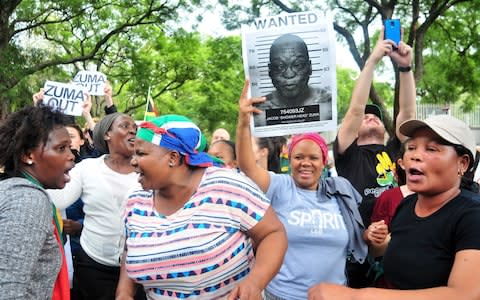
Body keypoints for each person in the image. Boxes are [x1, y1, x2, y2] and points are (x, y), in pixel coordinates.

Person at [308, 115, 480, 299]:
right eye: (411, 147)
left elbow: (465, 294)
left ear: (462, 163)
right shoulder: (406, 205)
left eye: (431, 149)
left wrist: (354, 296)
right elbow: (407, 248)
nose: (415, 155)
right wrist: (375, 240)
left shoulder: (472, 217)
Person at [116, 114, 287, 299]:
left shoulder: (226, 186)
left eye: (141, 153)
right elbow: (131, 248)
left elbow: (273, 233)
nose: (133, 161)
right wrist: (124, 293)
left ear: (173, 157)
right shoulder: (135, 200)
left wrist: (255, 282)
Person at [237, 80, 372, 299]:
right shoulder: (280, 186)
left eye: (313, 158)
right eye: (298, 157)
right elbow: (247, 166)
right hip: (282, 295)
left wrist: (370, 235)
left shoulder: (339, 192)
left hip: (332, 295)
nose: (305, 163)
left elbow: (357, 237)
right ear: (289, 160)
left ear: (323, 161)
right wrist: (243, 122)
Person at [333, 28, 416, 288]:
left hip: (398, 243)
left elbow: (408, 113)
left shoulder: (395, 152)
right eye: (365, 117)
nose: (370, 117)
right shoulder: (349, 154)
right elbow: (356, 108)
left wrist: (405, 69)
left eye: (377, 116)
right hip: (356, 250)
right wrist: (372, 61)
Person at [48, 112, 145, 300]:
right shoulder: (87, 168)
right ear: (107, 134)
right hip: (93, 267)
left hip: (137, 270)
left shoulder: (148, 171)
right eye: (125, 126)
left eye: (135, 127)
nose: (133, 130)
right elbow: (58, 199)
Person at [0, 105, 74, 299]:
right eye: (61, 148)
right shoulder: (28, 200)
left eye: (70, 147)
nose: (71, 155)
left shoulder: (14, 190)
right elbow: (8, 290)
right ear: (28, 155)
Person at [254, 33, 332, 127]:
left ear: (309, 67)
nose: (289, 74)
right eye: (279, 66)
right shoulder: (257, 112)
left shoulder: (328, 103)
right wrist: (243, 121)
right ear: (270, 71)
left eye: (297, 65)